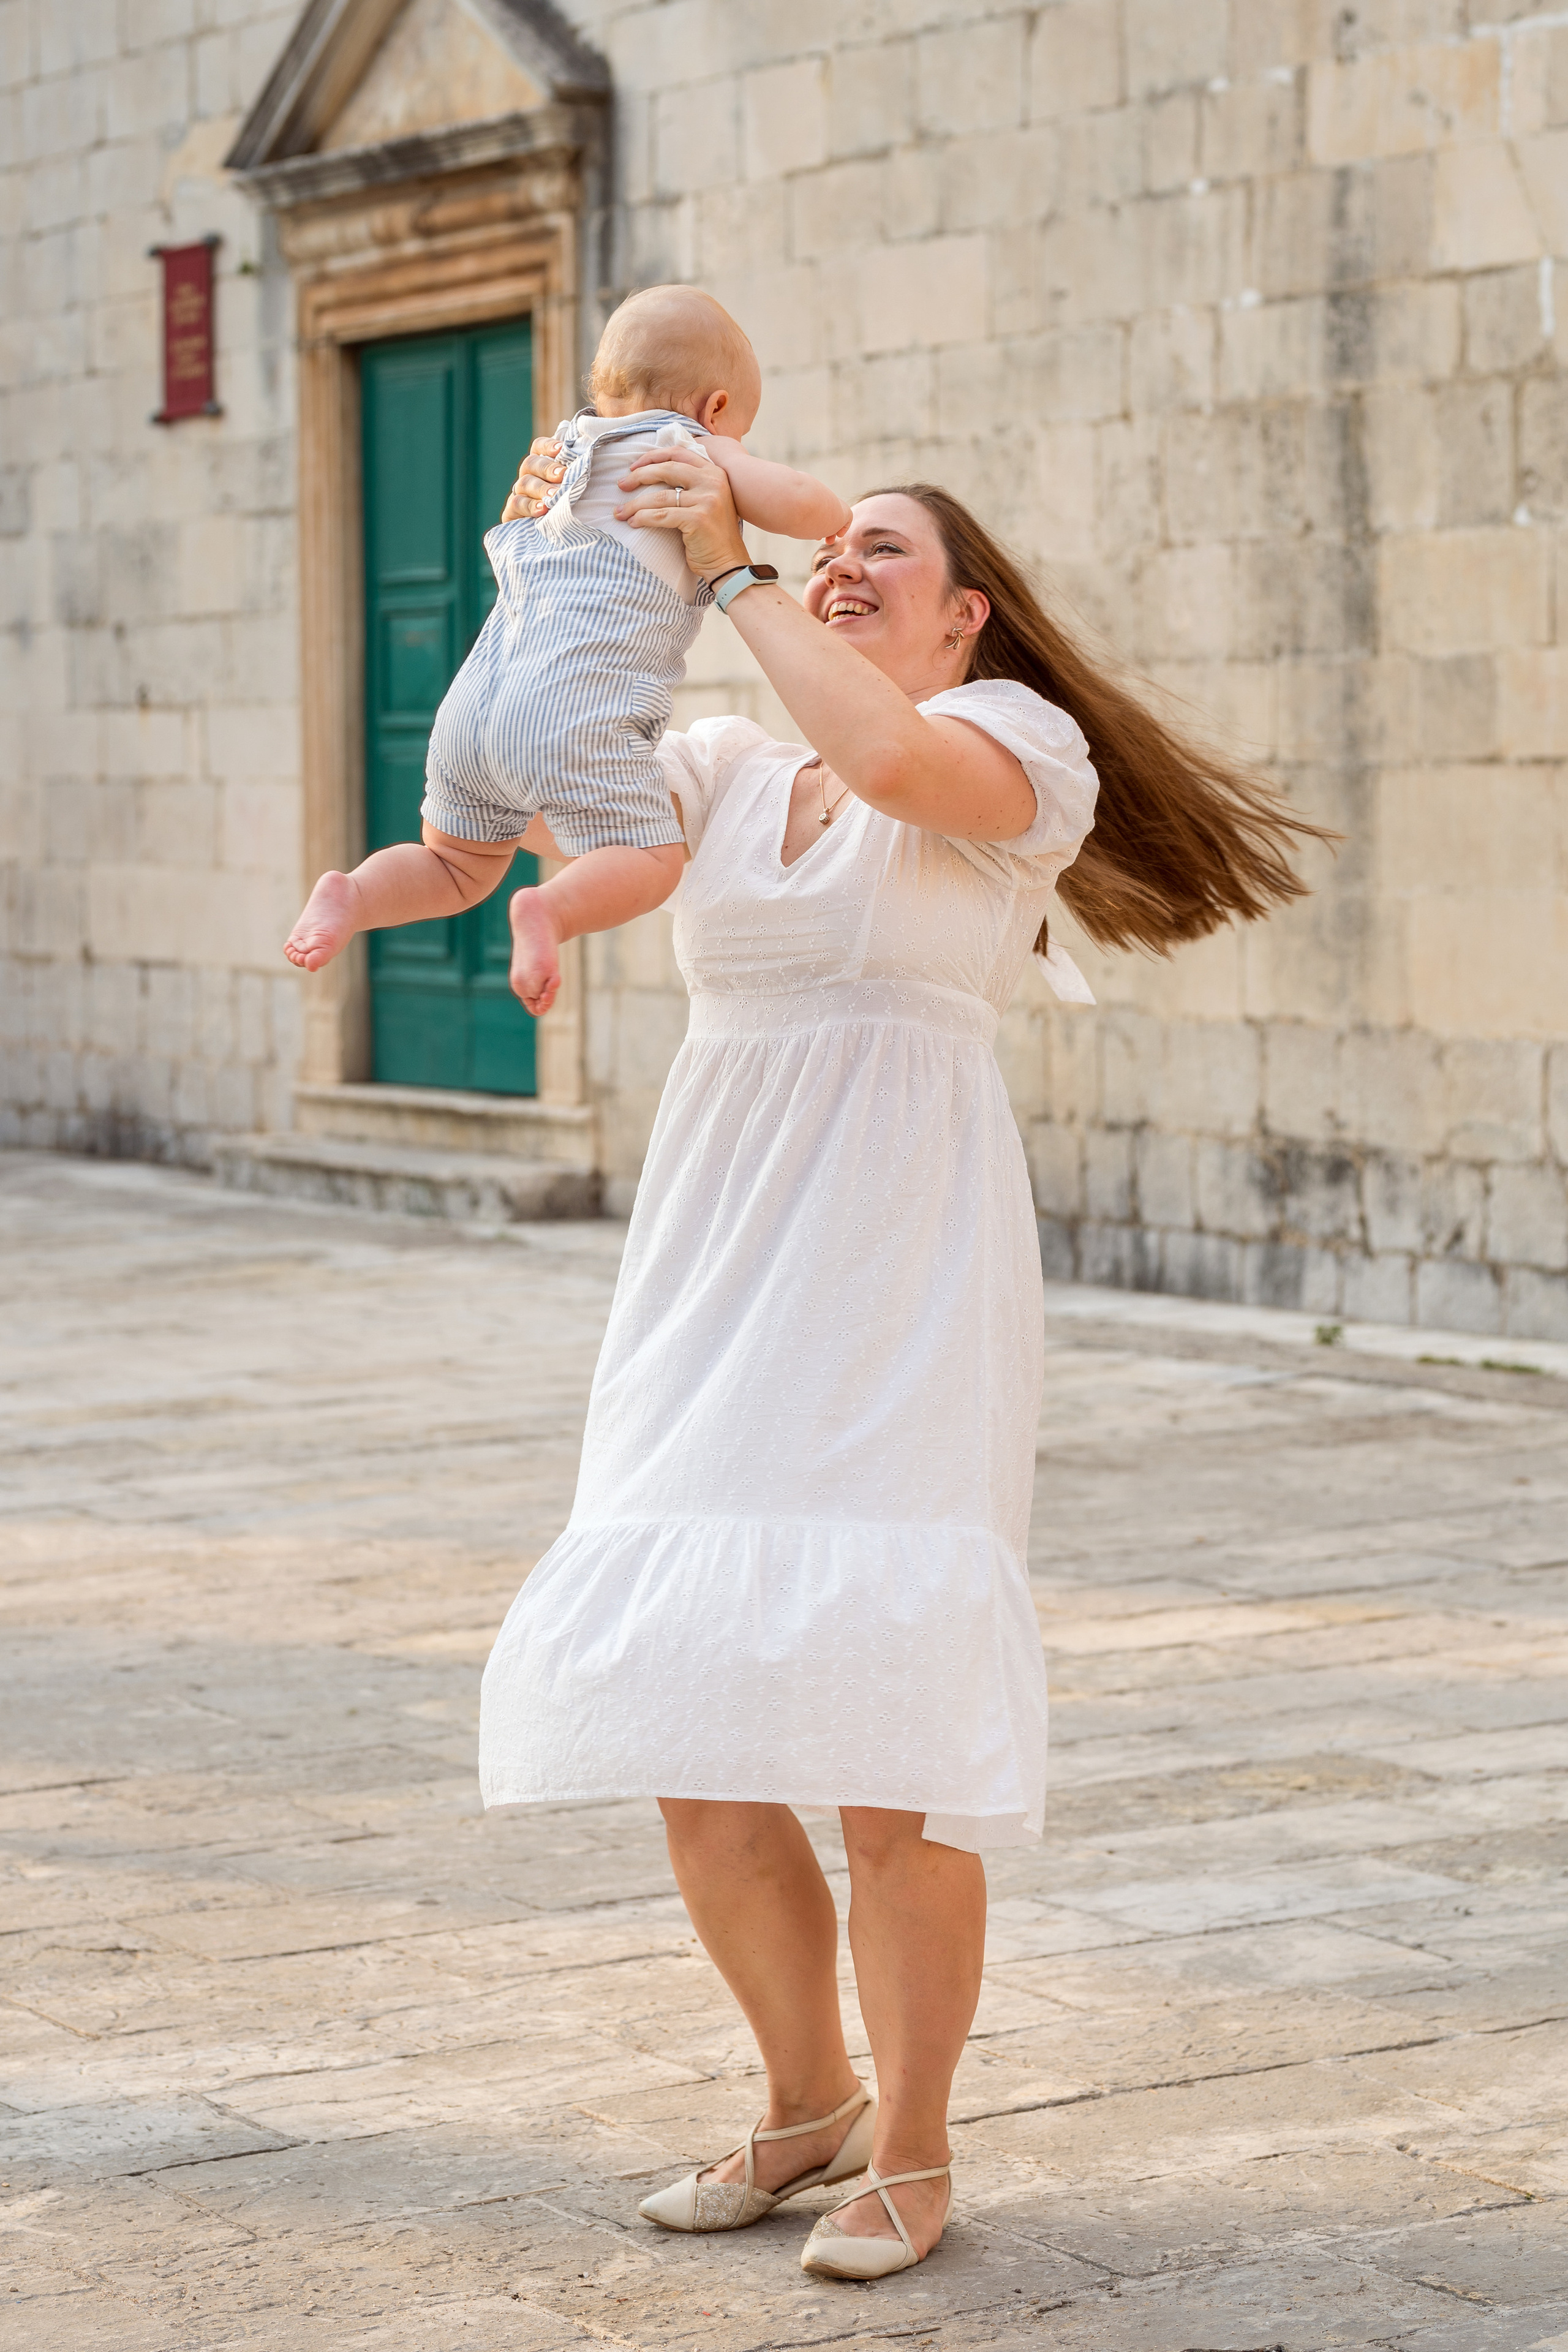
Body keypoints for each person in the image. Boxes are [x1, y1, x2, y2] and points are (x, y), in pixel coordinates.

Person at [478, 435, 1327, 2280]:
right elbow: (538, 773)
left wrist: (744, 562)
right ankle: (803, 2101)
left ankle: (918, 2145)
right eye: (830, 546)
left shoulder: (1017, 757)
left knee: (883, 1748)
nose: (844, 566)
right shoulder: (712, 764)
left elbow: (876, 748)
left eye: (891, 557)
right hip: (708, 1271)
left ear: (968, 617)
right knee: (688, 1726)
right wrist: (572, 534)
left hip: (898, 1277)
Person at [282, 288, 848, 1013]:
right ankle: (551, 911)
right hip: (571, 709)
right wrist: (835, 514)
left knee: (453, 865)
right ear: (715, 408)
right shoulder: (687, 445)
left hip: (471, 709)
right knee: (652, 860)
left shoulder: (560, 458)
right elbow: (800, 503)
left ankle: (352, 893)